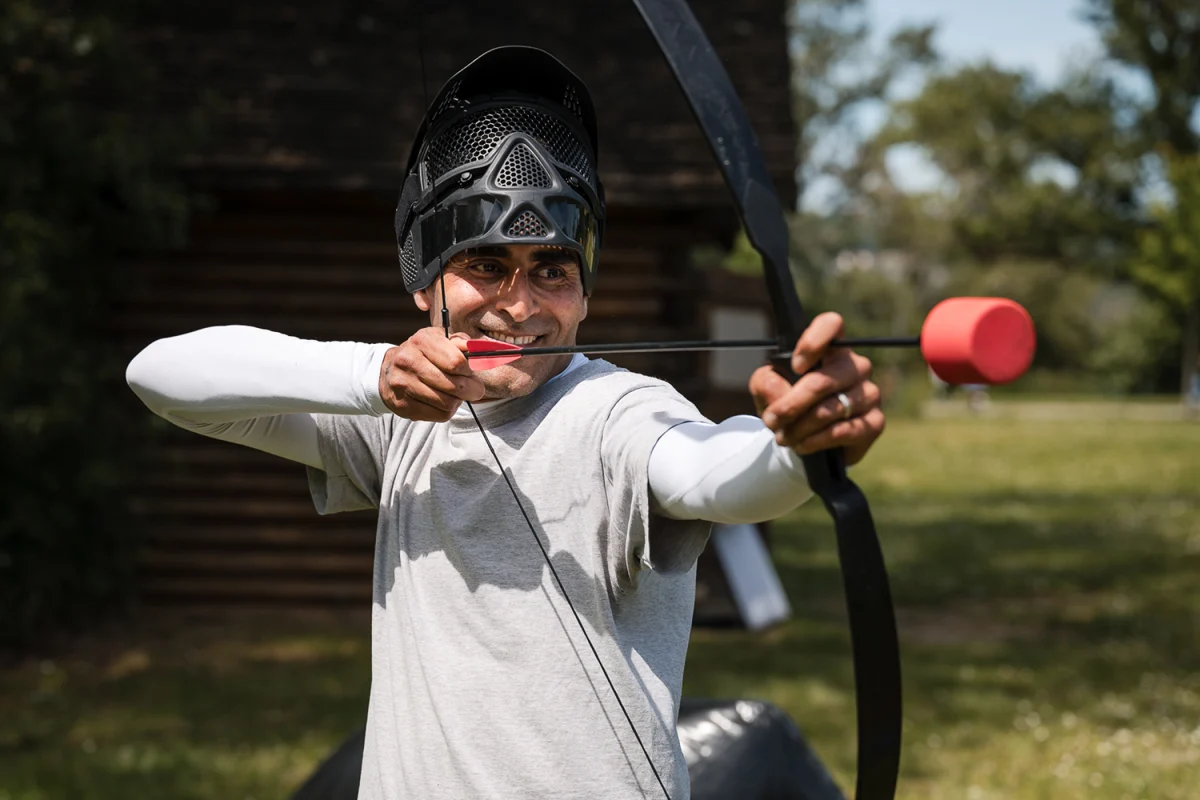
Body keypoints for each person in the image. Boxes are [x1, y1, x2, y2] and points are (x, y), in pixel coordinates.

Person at [125, 47, 885, 800]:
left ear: (585, 293)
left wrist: (795, 446)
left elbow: (714, 472)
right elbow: (160, 375)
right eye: (486, 266)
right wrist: (370, 377)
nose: (520, 306)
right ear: (426, 284)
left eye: (552, 270)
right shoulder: (397, 420)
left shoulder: (614, 413)